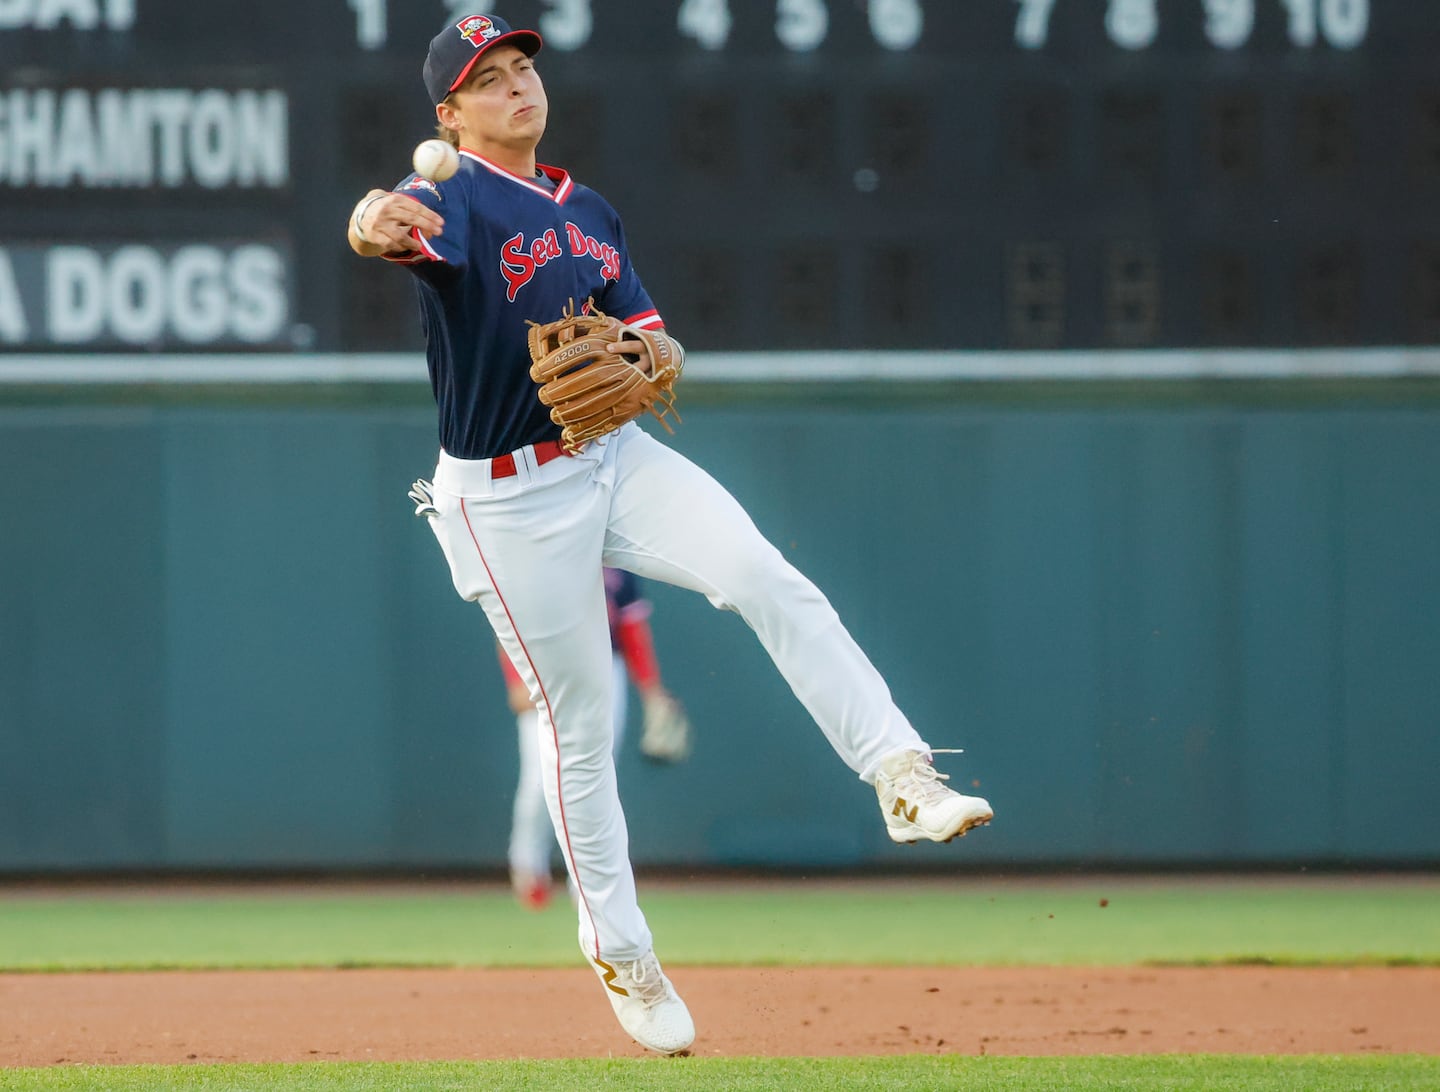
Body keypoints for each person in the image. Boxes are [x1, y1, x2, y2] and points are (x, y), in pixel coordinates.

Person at [348, 13, 993, 1057]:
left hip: (610, 458)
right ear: (450, 114)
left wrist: (647, 358)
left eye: (522, 68)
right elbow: (389, 226)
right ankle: (622, 950)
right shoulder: (452, 199)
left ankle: (902, 776)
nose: (517, 86)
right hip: (509, 501)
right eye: (490, 78)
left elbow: (651, 334)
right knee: (584, 724)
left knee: (765, 576)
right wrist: (376, 219)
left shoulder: (589, 209)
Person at [502, 567, 690, 911]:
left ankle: (588, 885)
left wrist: (651, 690)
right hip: (543, 665)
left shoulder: (617, 567)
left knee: (598, 777)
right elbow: (508, 619)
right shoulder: (541, 549)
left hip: (606, 665)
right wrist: (515, 678)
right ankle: (528, 867)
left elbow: (633, 630)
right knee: (538, 781)